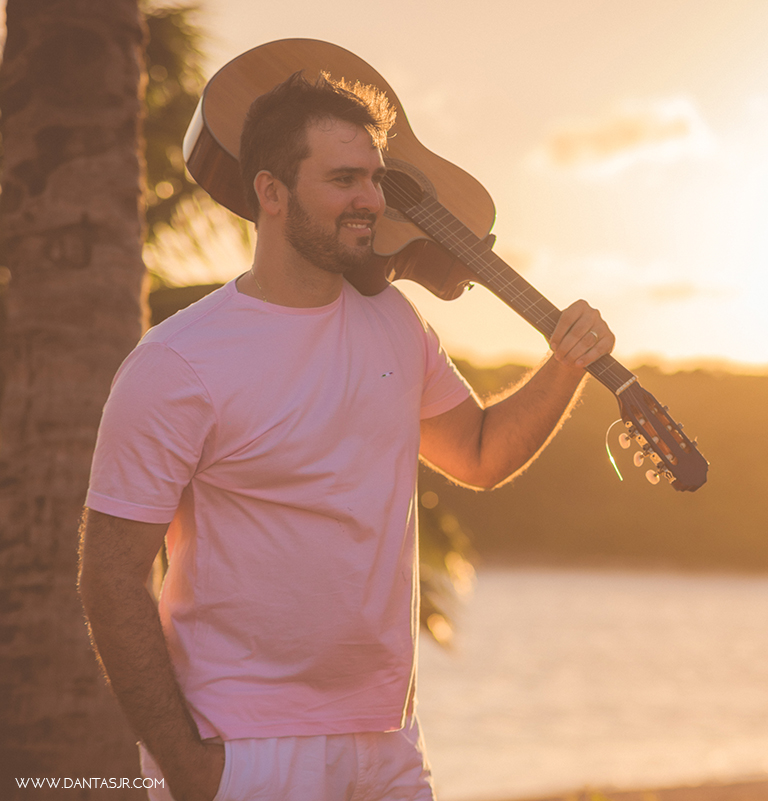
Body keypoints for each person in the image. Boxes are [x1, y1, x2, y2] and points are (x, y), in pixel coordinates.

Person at [78, 72, 614, 801]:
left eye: (373, 177)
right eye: (343, 178)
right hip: (244, 746)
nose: (371, 198)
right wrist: (190, 767)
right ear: (270, 192)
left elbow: (481, 454)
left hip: (388, 741)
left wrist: (565, 365)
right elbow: (110, 577)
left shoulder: (395, 321)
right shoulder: (177, 363)